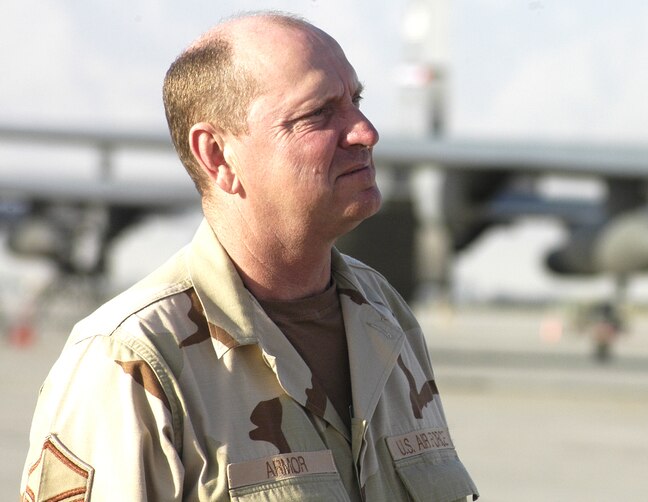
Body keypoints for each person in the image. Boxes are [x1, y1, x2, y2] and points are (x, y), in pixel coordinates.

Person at [20, 11, 478, 501]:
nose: (365, 132)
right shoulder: (133, 361)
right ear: (217, 155)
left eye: (356, 100)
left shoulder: (384, 316)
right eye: (319, 114)